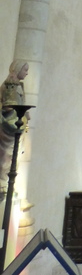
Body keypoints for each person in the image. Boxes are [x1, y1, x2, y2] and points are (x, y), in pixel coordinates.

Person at [0, 60, 29, 193]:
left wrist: (25, 114)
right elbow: (7, 106)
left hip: (18, 126)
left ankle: (8, 185)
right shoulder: (8, 85)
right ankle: (2, 185)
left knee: (15, 156)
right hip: (9, 127)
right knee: (6, 156)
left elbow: (21, 103)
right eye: (25, 70)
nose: (27, 73)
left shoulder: (19, 86)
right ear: (17, 69)